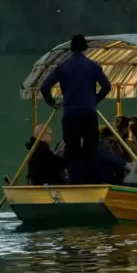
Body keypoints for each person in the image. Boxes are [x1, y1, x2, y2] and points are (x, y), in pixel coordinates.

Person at [40, 34, 111, 184]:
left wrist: (52, 103)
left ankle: (75, 184)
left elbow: (44, 87)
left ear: (71, 48)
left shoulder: (62, 67)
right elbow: (107, 87)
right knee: (91, 149)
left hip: (70, 114)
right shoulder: (93, 66)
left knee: (72, 151)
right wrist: (94, 100)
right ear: (85, 47)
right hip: (88, 113)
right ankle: (91, 183)